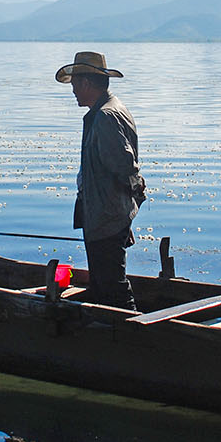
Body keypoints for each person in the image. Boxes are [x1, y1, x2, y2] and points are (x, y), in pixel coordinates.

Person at [55, 51, 145, 310]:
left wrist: (125, 205)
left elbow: (125, 164)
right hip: (106, 212)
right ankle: (108, 328)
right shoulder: (109, 109)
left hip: (106, 214)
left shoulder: (106, 116)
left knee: (112, 286)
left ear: (86, 83)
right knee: (103, 282)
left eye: (74, 84)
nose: (72, 90)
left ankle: (130, 331)